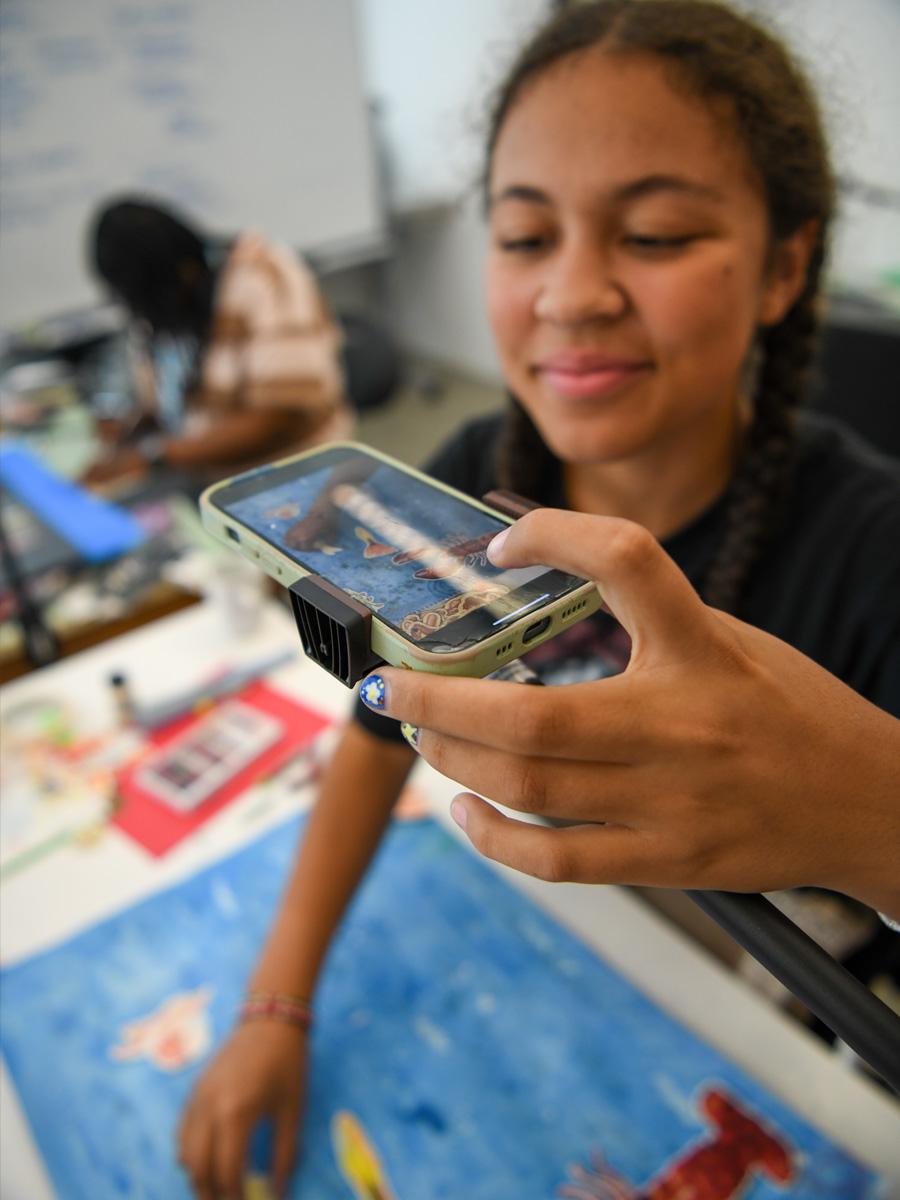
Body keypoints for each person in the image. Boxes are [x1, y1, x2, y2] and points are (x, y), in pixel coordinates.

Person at [177, 3, 900, 1196]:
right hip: (561, 939)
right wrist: (276, 1000)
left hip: (759, 1010)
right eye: (523, 237)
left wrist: (874, 812)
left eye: (657, 234)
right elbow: (376, 727)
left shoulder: (869, 550)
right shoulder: (454, 487)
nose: (571, 294)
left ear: (783, 266)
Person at [82, 198, 351, 486]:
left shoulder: (263, 276)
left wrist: (156, 455)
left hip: (289, 477)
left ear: (184, 273)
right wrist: (137, 427)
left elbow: (279, 415)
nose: (143, 315)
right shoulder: (171, 302)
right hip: (209, 475)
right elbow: (179, 386)